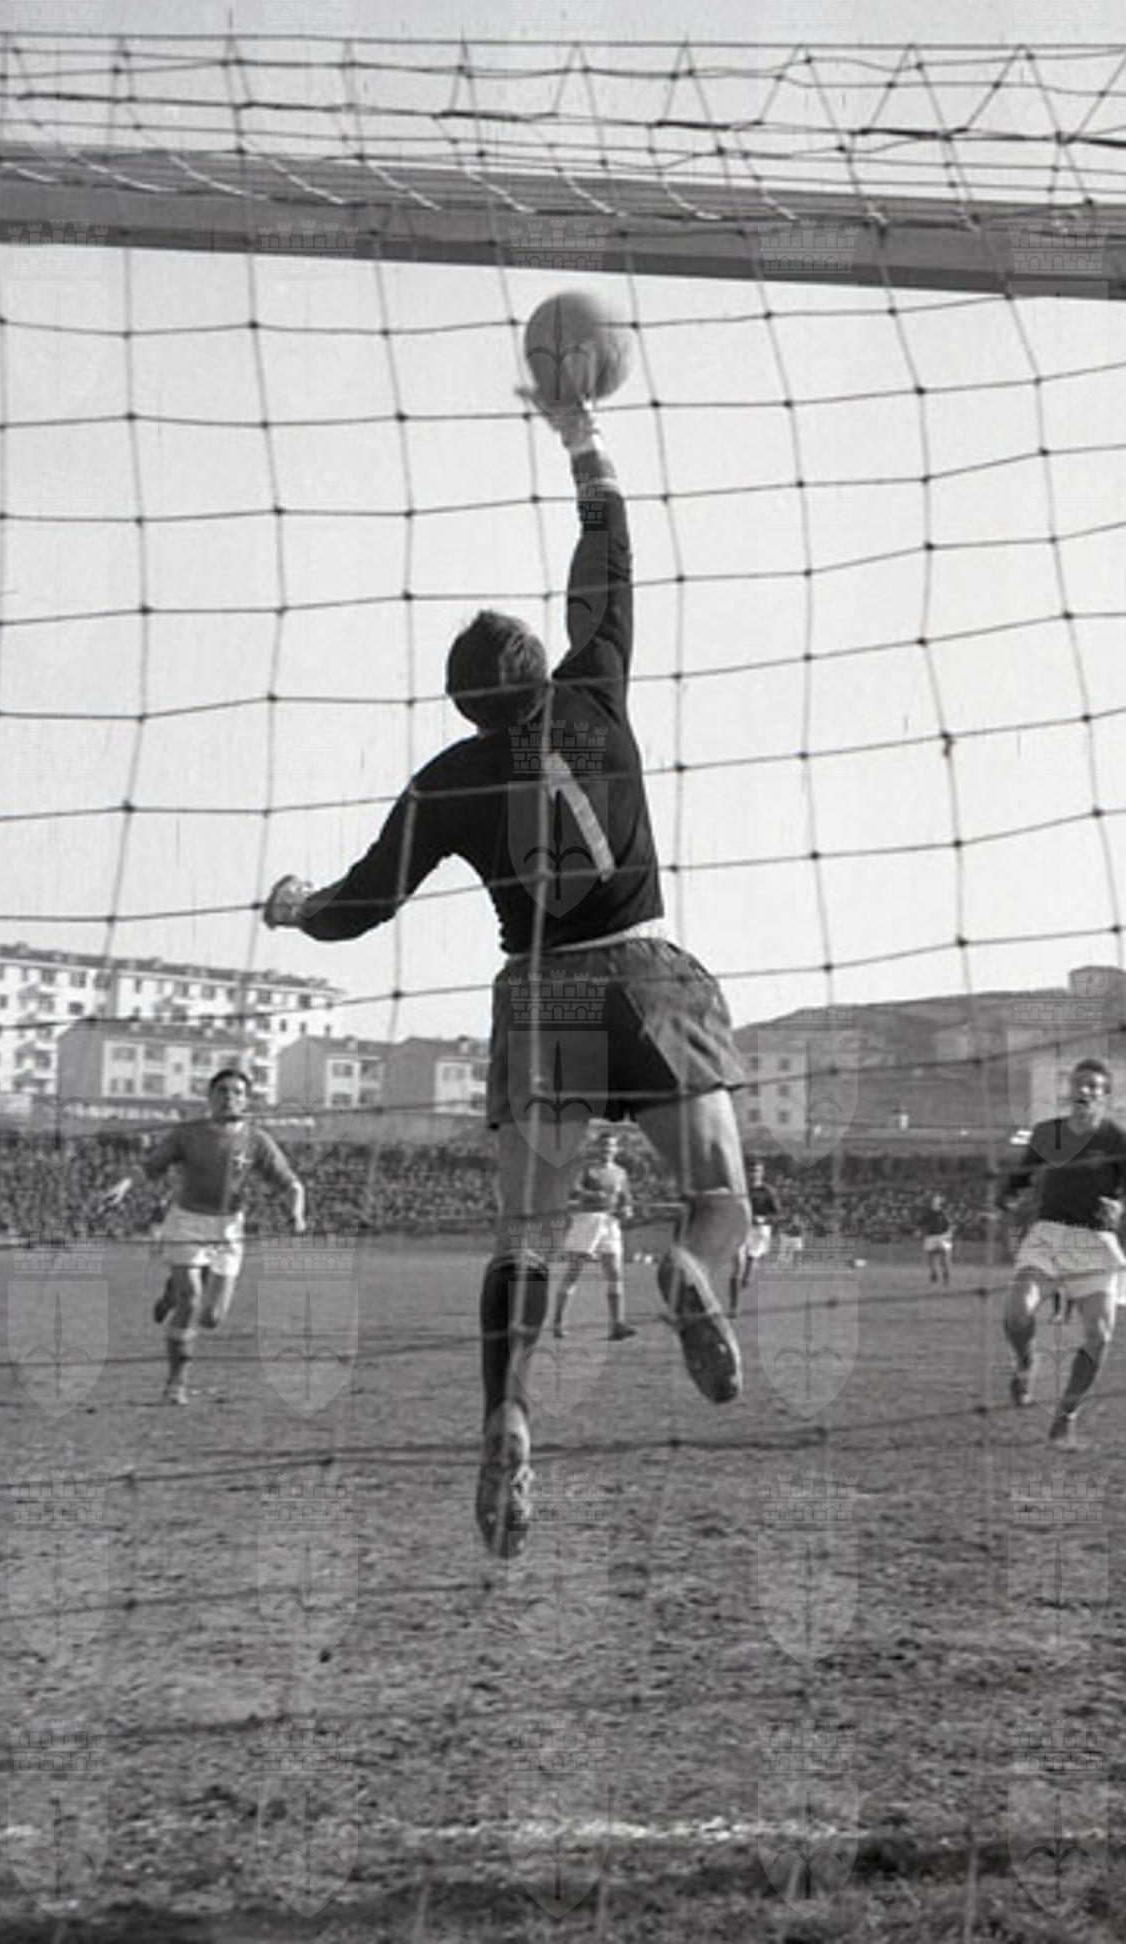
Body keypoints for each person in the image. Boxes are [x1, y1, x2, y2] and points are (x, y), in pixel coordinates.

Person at [263, 377, 750, 1559]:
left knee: (524, 1237)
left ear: (464, 701)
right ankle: (691, 1271)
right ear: (540, 667)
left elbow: (361, 906)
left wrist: (292, 908)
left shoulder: (446, 779)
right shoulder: (595, 693)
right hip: (646, 975)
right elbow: (607, 561)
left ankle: (509, 1413)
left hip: (542, 997)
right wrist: (582, 438)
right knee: (721, 1194)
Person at [95, 1069, 306, 1406]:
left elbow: (292, 1184)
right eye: (222, 1091)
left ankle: (172, 1291)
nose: (229, 1097)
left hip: (228, 1229)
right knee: (191, 1299)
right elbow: (149, 1165)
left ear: (247, 1100)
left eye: (237, 1092)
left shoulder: (257, 1140)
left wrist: (297, 1214)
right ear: (210, 1097)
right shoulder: (188, 1133)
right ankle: (175, 1383)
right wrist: (123, 1186)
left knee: (211, 1318)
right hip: (187, 1222)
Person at [998, 1058, 1126, 1448]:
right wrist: (1007, 1198)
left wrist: (1121, 1207)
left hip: (1096, 1243)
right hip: (1049, 1236)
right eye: (1079, 1083)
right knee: (1016, 1314)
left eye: (1093, 1086)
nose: (1084, 1090)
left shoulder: (1116, 1139)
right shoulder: (1047, 1133)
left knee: (1099, 1335)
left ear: (1104, 1096)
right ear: (1069, 1090)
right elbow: (1020, 1178)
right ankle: (1026, 1364)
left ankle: (1066, 1415)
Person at [555, 1131, 635, 1342]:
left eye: (611, 1146)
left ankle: (617, 1325)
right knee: (574, 1272)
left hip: (610, 1222)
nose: (607, 1149)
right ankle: (558, 1323)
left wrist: (627, 1210)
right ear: (597, 1148)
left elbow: (625, 1198)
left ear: (616, 1149)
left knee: (615, 1273)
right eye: (603, 1145)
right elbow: (572, 1189)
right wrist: (592, 1194)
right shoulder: (586, 1169)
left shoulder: (620, 1172)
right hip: (587, 1220)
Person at [734, 1159, 782, 1314]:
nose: (753, 1174)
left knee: (749, 1264)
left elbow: (777, 1214)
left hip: (759, 1230)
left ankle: (743, 1285)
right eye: (751, 1171)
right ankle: (734, 1304)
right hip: (741, 1228)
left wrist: (762, 1219)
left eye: (757, 1171)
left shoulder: (768, 1192)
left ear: (762, 1173)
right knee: (737, 1266)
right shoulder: (741, 1189)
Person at [920, 1190, 956, 1286]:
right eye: (934, 1199)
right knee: (930, 1257)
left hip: (944, 1236)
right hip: (931, 1236)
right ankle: (933, 1272)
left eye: (937, 1199)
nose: (936, 1201)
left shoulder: (944, 1212)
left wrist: (950, 1234)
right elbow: (922, 1223)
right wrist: (922, 1231)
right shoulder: (927, 1212)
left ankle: (946, 1276)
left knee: (944, 1259)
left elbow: (950, 1224)